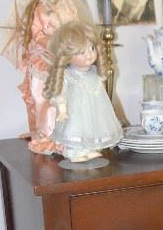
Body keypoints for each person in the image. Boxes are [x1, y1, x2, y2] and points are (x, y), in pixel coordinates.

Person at [44, 22, 123, 162]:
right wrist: (62, 109)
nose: (89, 55)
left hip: (94, 110)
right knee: (76, 129)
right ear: (67, 56)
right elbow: (60, 92)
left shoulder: (94, 72)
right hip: (76, 111)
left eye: (92, 48)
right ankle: (74, 152)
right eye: (82, 52)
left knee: (93, 128)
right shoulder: (68, 74)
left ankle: (89, 149)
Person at [19, 0, 79, 154]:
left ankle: (71, 131)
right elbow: (37, 33)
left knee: (71, 92)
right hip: (45, 53)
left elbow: (75, 26)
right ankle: (48, 134)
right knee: (44, 95)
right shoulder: (41, 8)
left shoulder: (69, 5)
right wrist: (52, 45)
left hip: (66, 51)